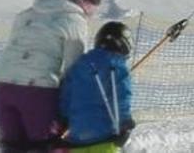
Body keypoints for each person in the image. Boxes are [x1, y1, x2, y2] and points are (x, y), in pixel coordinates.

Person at [0, 0, 107, 152]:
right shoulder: (74, 20)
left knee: (11, 147)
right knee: (46, 147)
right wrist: (71, 112)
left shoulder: (28, 12)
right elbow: (73, 71)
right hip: (37, 91)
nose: (96, 7)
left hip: (0, 87)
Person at [57, 21, 135, 153]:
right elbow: (121, 97)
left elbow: (66, 95)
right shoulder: (117, 66)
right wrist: (125, 123)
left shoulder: (80, 65)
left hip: (77, 138)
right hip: (105, 137)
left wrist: (64, 118)